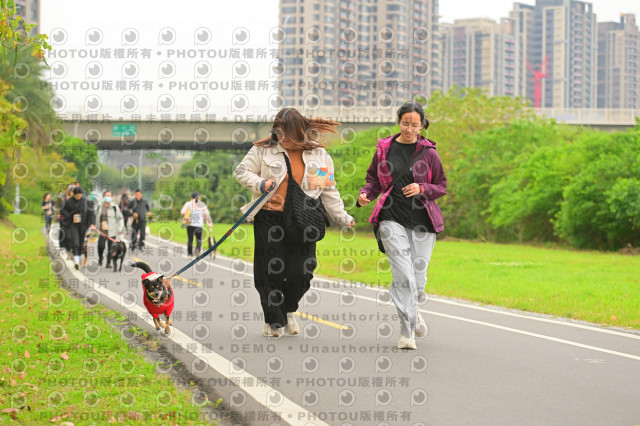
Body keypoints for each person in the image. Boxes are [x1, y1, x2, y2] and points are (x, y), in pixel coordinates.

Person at [234, 107, 355, 337]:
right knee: (270, 272)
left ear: (300, 131)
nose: (283, 138)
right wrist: (260, 183)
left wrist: (342, 217)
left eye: (288, 133)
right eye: (279, 133)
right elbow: (242, 171)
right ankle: (273, 321)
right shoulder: (264, 150)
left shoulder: (318, 155)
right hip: (269, 217)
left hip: (303, 219)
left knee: (303, 270)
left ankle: (288, 309)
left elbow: (327, 190)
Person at [357, 101, 447, 350]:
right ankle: (407, 331)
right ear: (398, 122)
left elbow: (441, 185)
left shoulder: (429, 153)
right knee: (403, 275)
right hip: (391, 217)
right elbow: (373, 180)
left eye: (414, 124)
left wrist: (422, 188)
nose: (409, 128)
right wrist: (365, 194)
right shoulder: (384, 149)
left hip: (423, 222)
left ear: (422, 125)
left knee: (418, 282)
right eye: (405, 123)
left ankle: (413, 309)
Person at [60, 187, 96, 269]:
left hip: (84, 225)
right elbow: (62, 210)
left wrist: (92, 224)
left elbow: (92, 213)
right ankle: (76, 262)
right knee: (75, 242)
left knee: (81, 244)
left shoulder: (87, 202)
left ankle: (78, 259)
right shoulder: (68, 202)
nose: (78, 197)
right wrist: (70, 215)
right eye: (77, 195)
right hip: (73, 225)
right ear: (74, 194)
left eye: (80, 195)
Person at [95, 190, 125, 267]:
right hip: (102, 231)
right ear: (103, 197)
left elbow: (120, 218)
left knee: (111, 247)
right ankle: (100, 258)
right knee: (101, 246)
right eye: (106, 195)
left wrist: (119, 229)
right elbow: (95, 217)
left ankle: (108, 262)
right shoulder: (99, 206)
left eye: (109, 196)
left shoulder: (114, 207)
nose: (107, 197)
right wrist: (94, 226)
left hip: (112, 231)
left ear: (111, 197)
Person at [180, 191, 213, 257]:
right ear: (198, 197)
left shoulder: (188, 203)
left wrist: (188, 213)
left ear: (191, 197)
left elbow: (182, 212)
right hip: (199, 225)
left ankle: (190, 254)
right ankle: (197, 250)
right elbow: (207, 215)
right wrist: (209, 223)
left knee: (190, 239)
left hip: (190, 224)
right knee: (199, 240)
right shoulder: (202, 204)